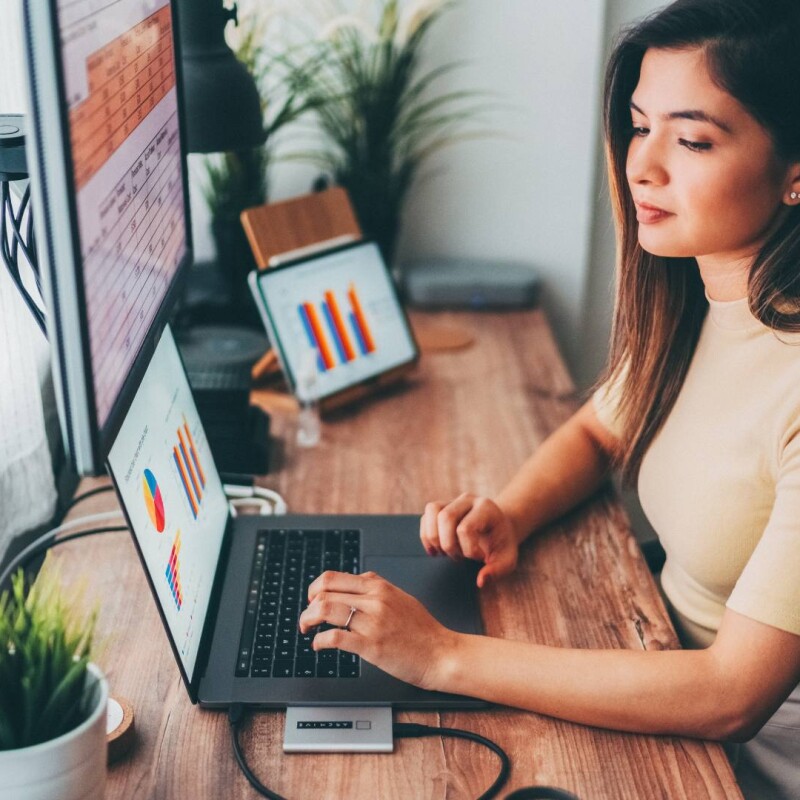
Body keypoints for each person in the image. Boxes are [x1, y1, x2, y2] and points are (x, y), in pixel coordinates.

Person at [299, 1, 800, 796]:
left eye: (693, 140)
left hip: (743, 762)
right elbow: (601, 431)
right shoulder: (707, 298)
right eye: (639, 126)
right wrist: (510, 511)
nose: (643, 165)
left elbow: (731, 694)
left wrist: (442, 657)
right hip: (657, 656)